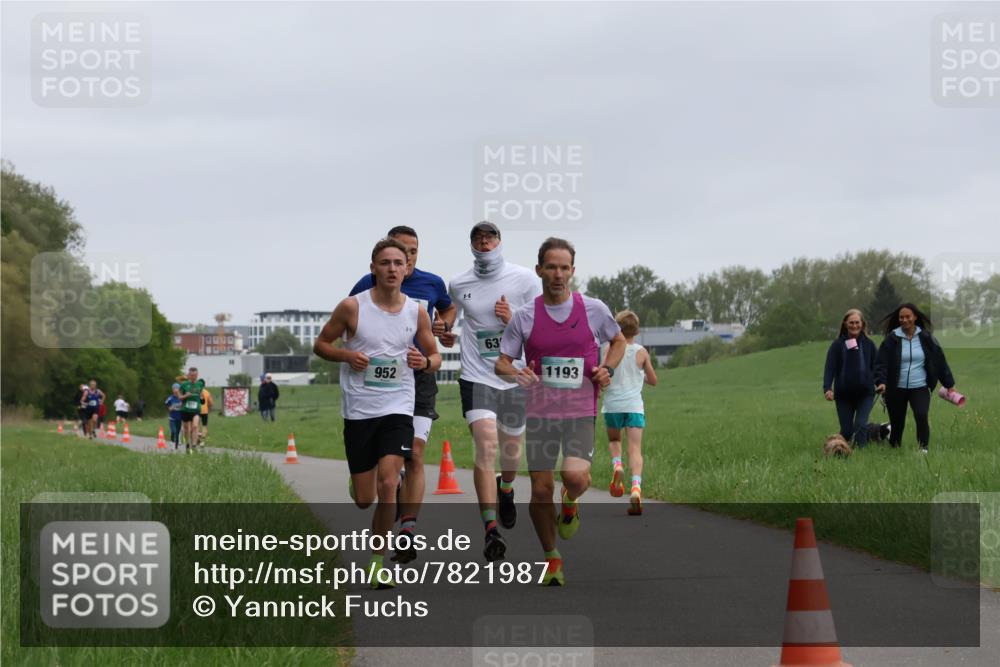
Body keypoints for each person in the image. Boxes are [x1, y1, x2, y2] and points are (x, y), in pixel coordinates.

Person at [496, 237, 626, 586]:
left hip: (581, 410)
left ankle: (570, 501)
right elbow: (501, 362)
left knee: (575, 478)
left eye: (564, 268)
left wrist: (608, 369)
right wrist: (517, 373)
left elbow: (618, 341)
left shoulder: (593, 309)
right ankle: (552, 558)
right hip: (540, 413)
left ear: (572, 271)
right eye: (551, 267)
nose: (558, 274)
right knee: (540, 491)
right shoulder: (525, 316)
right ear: (539, 270)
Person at [313, 237, 441, 588]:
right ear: (373, 268)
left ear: (407, 269)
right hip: (359, 410)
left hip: (398, 406)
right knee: (364, 498)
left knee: (388, 483)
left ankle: (376, 562)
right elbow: (321, 345)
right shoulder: (352, 307)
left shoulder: (416, 311)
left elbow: (435, 356)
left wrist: (424, 362)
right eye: (385, 263)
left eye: (398, 263)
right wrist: (346, 355)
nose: (392, 269)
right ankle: (361, 481)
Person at [349, 225, 456, 563]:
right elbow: (351, 320)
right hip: (376, 388)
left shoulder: (432, 283)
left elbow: (448, 310)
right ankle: (386, 481)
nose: (406, 259)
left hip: (418, 378)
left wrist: (444, 326)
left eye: (412, 252)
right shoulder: (368, 283)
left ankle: (408, 529)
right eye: (401, 251)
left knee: (416, 454)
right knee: (372, 490)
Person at [446, 221, 542, 562]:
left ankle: (507, 488)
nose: (484, 243)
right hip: (477, 376)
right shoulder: (459, 283)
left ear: (500, 242)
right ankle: (490, 530)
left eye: (489, 237)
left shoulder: (525, 279)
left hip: (515, 376)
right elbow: (451, 318)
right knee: (486, 446)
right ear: (471, 244)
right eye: (478, 238)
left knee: (511, 452)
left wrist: (511, 319)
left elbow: (540, 328)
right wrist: (444, 331)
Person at [874, 303, 957, 454]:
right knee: (897, 422)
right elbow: (881, 363)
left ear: (915, 317)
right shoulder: (892, 339)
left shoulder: (926, 338)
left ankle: (923, 449)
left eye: (908, 317)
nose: (904, 320)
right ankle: (894, 448)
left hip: (919, 387)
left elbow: (939, 361)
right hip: (895, 388)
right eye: (901, 317)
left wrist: (949, 384)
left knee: (921, 414)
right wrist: (881, 382)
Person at [601, 310, 657, 515]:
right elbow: (653, 380)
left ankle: (617, 466)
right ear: (637, 330)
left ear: (617, 329)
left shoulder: (609, 348)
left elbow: (603, 371)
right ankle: (636, 488)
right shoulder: (642, 352)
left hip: (613, 405)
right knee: (635, 449)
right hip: (634, 407)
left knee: (615, 441)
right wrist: (640, 375)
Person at [823, 309, 878, 449]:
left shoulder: (869, 345)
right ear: (845, 324)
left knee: (860, 425)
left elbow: (877, 366)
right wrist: (827, 388)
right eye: (851, 323)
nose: (854, 325)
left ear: (862, 324)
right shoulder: (837, 345)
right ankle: (837, 448)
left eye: (857, 322)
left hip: (865, 393)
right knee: (847, 431)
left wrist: (881, 383)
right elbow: (830, 367)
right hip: (843, 395)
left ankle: (862, 453)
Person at [178, 367, 205, 452]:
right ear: (189, 375)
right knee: (186, 429)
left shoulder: (200, 384)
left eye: (195, 375)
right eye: (192, 375)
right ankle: (187, 444)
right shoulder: (184, 385)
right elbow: (179, 397)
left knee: (195, 426)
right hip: (185, 410)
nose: (193, 377)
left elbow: (201, 395)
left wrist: (202, 397)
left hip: (196, 409)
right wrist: (185, 396)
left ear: (197, 375)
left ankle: (194, 445)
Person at [165, 384, 183, 449]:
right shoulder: (170, 398)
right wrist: (170, 408)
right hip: (172, 418)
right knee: (173, 431)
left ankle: (176, 444)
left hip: (180, 418)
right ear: (172, 390)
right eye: (174, 389)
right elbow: (166, 404)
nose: (176, 390)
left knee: (178, 431)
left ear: (179, 390)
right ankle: (173, 443)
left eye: (177, 389)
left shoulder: (182, 398)